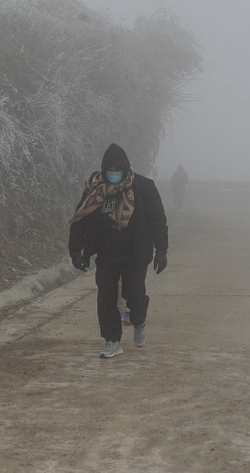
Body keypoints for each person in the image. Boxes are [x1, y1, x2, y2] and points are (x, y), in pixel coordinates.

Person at [68, 143, 169, 357]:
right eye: (109, 170)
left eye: (117, 170)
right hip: (106, 254)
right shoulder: (96, 191)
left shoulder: (144, 187)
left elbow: (158, 220)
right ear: (104, 171)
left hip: (136, 253)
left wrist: (162, 249)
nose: (114, 174)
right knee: (106, 298)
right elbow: (80, 220)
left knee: (135, 296)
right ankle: (112, 340)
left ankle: (139, 320)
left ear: (125, 168)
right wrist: (75, 251)